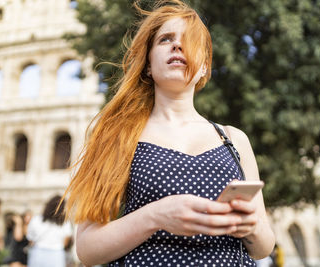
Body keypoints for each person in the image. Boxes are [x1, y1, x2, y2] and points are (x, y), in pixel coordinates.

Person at [63, 0, 276, 266]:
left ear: (204, 68)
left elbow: (263, 247)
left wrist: (251, 227)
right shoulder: (118, 136)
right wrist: (156, 216)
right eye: (165, 39)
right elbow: (87, 249)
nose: (177, 45)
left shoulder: (234, 139)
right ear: (149, 65)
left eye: (189, 41)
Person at [26, 195, 72, 267]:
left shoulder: (36, 219)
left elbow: (30, 239)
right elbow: (66, 241)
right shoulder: (65, 222)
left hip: (38, 254)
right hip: (57, 255)